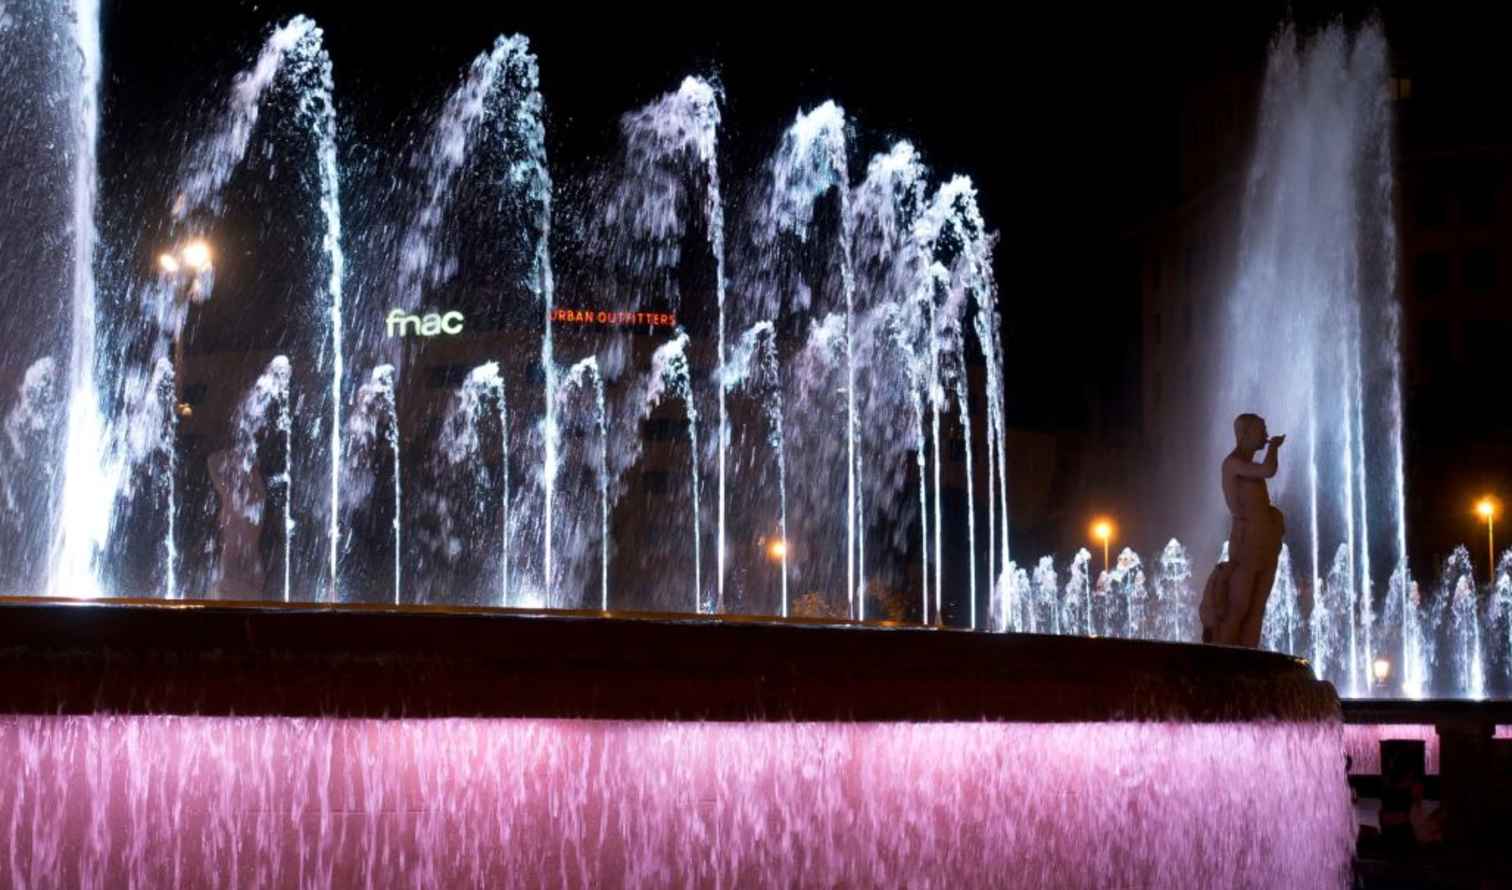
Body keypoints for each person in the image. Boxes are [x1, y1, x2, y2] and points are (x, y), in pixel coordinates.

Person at [1212, 413, 1286, 647]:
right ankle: (1224, 659)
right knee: (1239, 606)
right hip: (1247, 543)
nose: (1266, 435)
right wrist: (1273, 448)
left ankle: (1249, 657)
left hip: (1267, 542)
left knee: (1257, 607)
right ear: (1244, 434)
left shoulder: (1247, 466)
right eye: (1261, 431)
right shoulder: (1233, 464)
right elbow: (1268, 470)